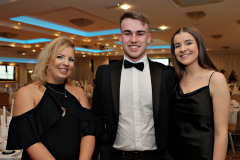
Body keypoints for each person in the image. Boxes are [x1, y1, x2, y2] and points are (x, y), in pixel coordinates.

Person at [91, 10, 177, 160]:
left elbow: (175, 118)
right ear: (120, 37)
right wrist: (99, 150)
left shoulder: (167, 73)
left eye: (140, 33)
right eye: (128, 33)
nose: (133, 39)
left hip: (156, 156)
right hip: (116, 155)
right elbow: (97, 116)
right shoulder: (104, 73)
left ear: (148, 37)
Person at [7, 37, 96, 160]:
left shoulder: (79, 92)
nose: (66, 63)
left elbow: (89, 132)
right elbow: (30, 141)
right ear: (47, 59)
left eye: (71, 59)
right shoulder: (27, 93)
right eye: (60, 57)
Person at [169, 26, 230, 160]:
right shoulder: (175, 80)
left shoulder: (215, 78)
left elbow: (221, 134)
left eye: (188, 43)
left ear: (199, 45)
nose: (183, 49)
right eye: (177, 45)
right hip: (174, 155)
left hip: (203, 155)